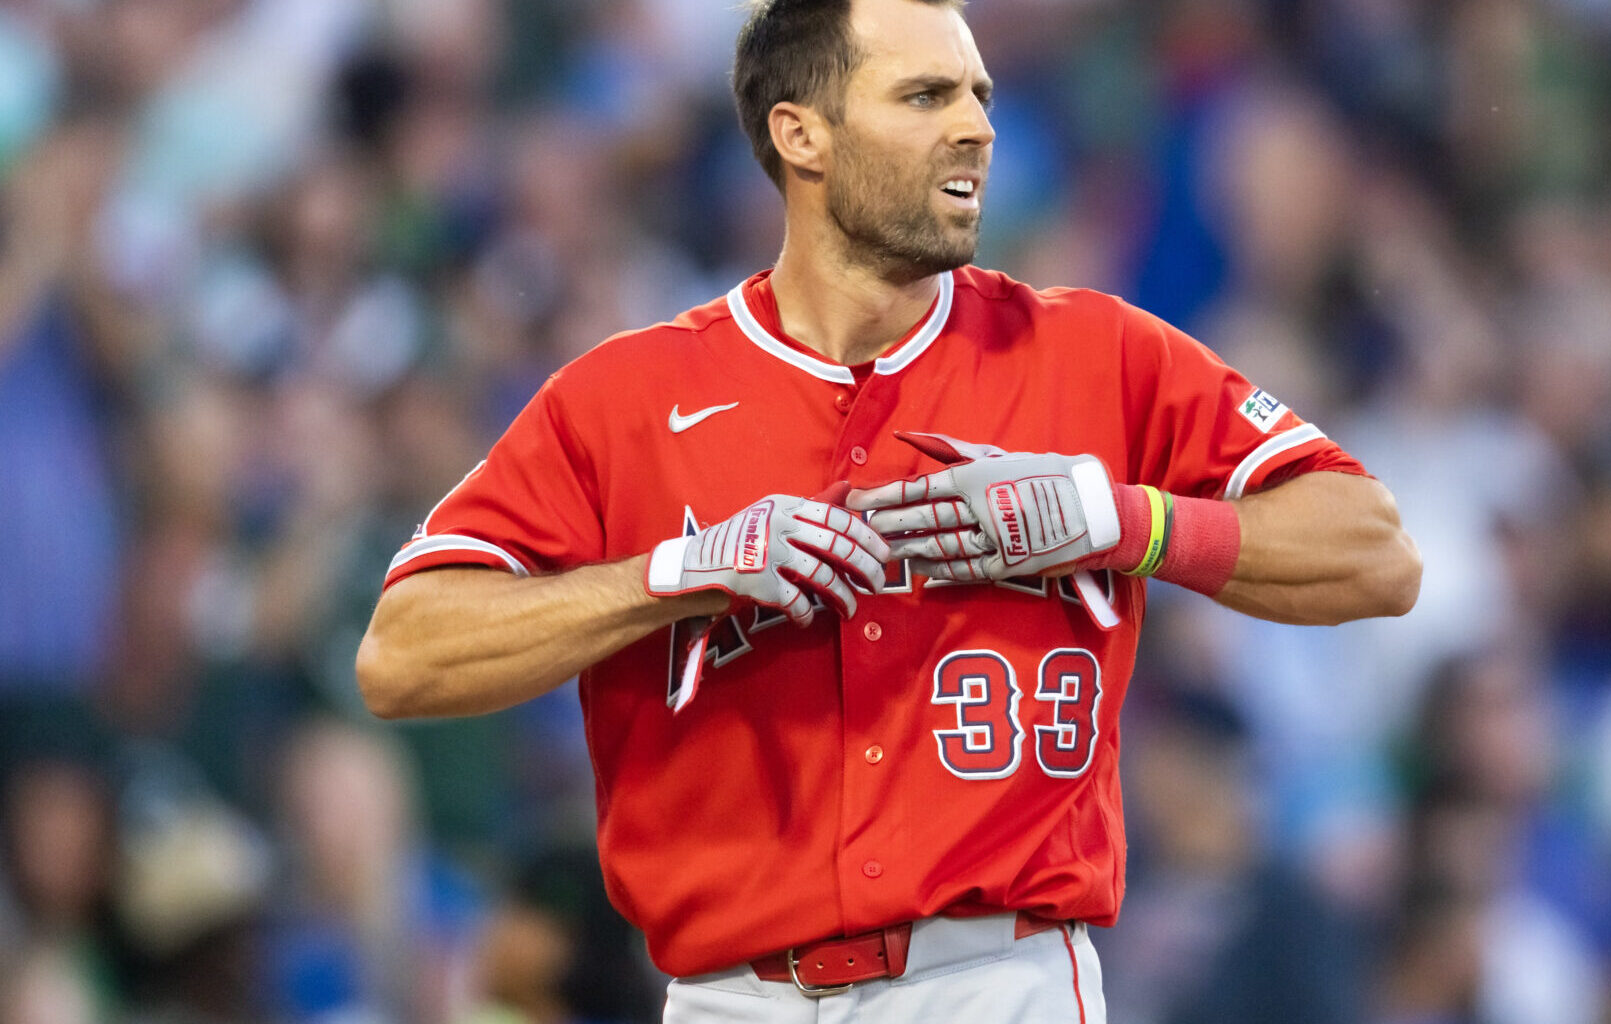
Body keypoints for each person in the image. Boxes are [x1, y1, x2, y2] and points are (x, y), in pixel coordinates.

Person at [355, 0, 1421, 1019]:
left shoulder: (1094, 355)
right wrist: (667, 577)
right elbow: (402, 655)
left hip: (1000, 979)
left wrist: (1128, 522)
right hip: (732, 996)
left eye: (979, 95)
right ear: (801, 134)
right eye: (924, 97)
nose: (975, 128)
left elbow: (1376, 549)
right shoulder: (630, 398)